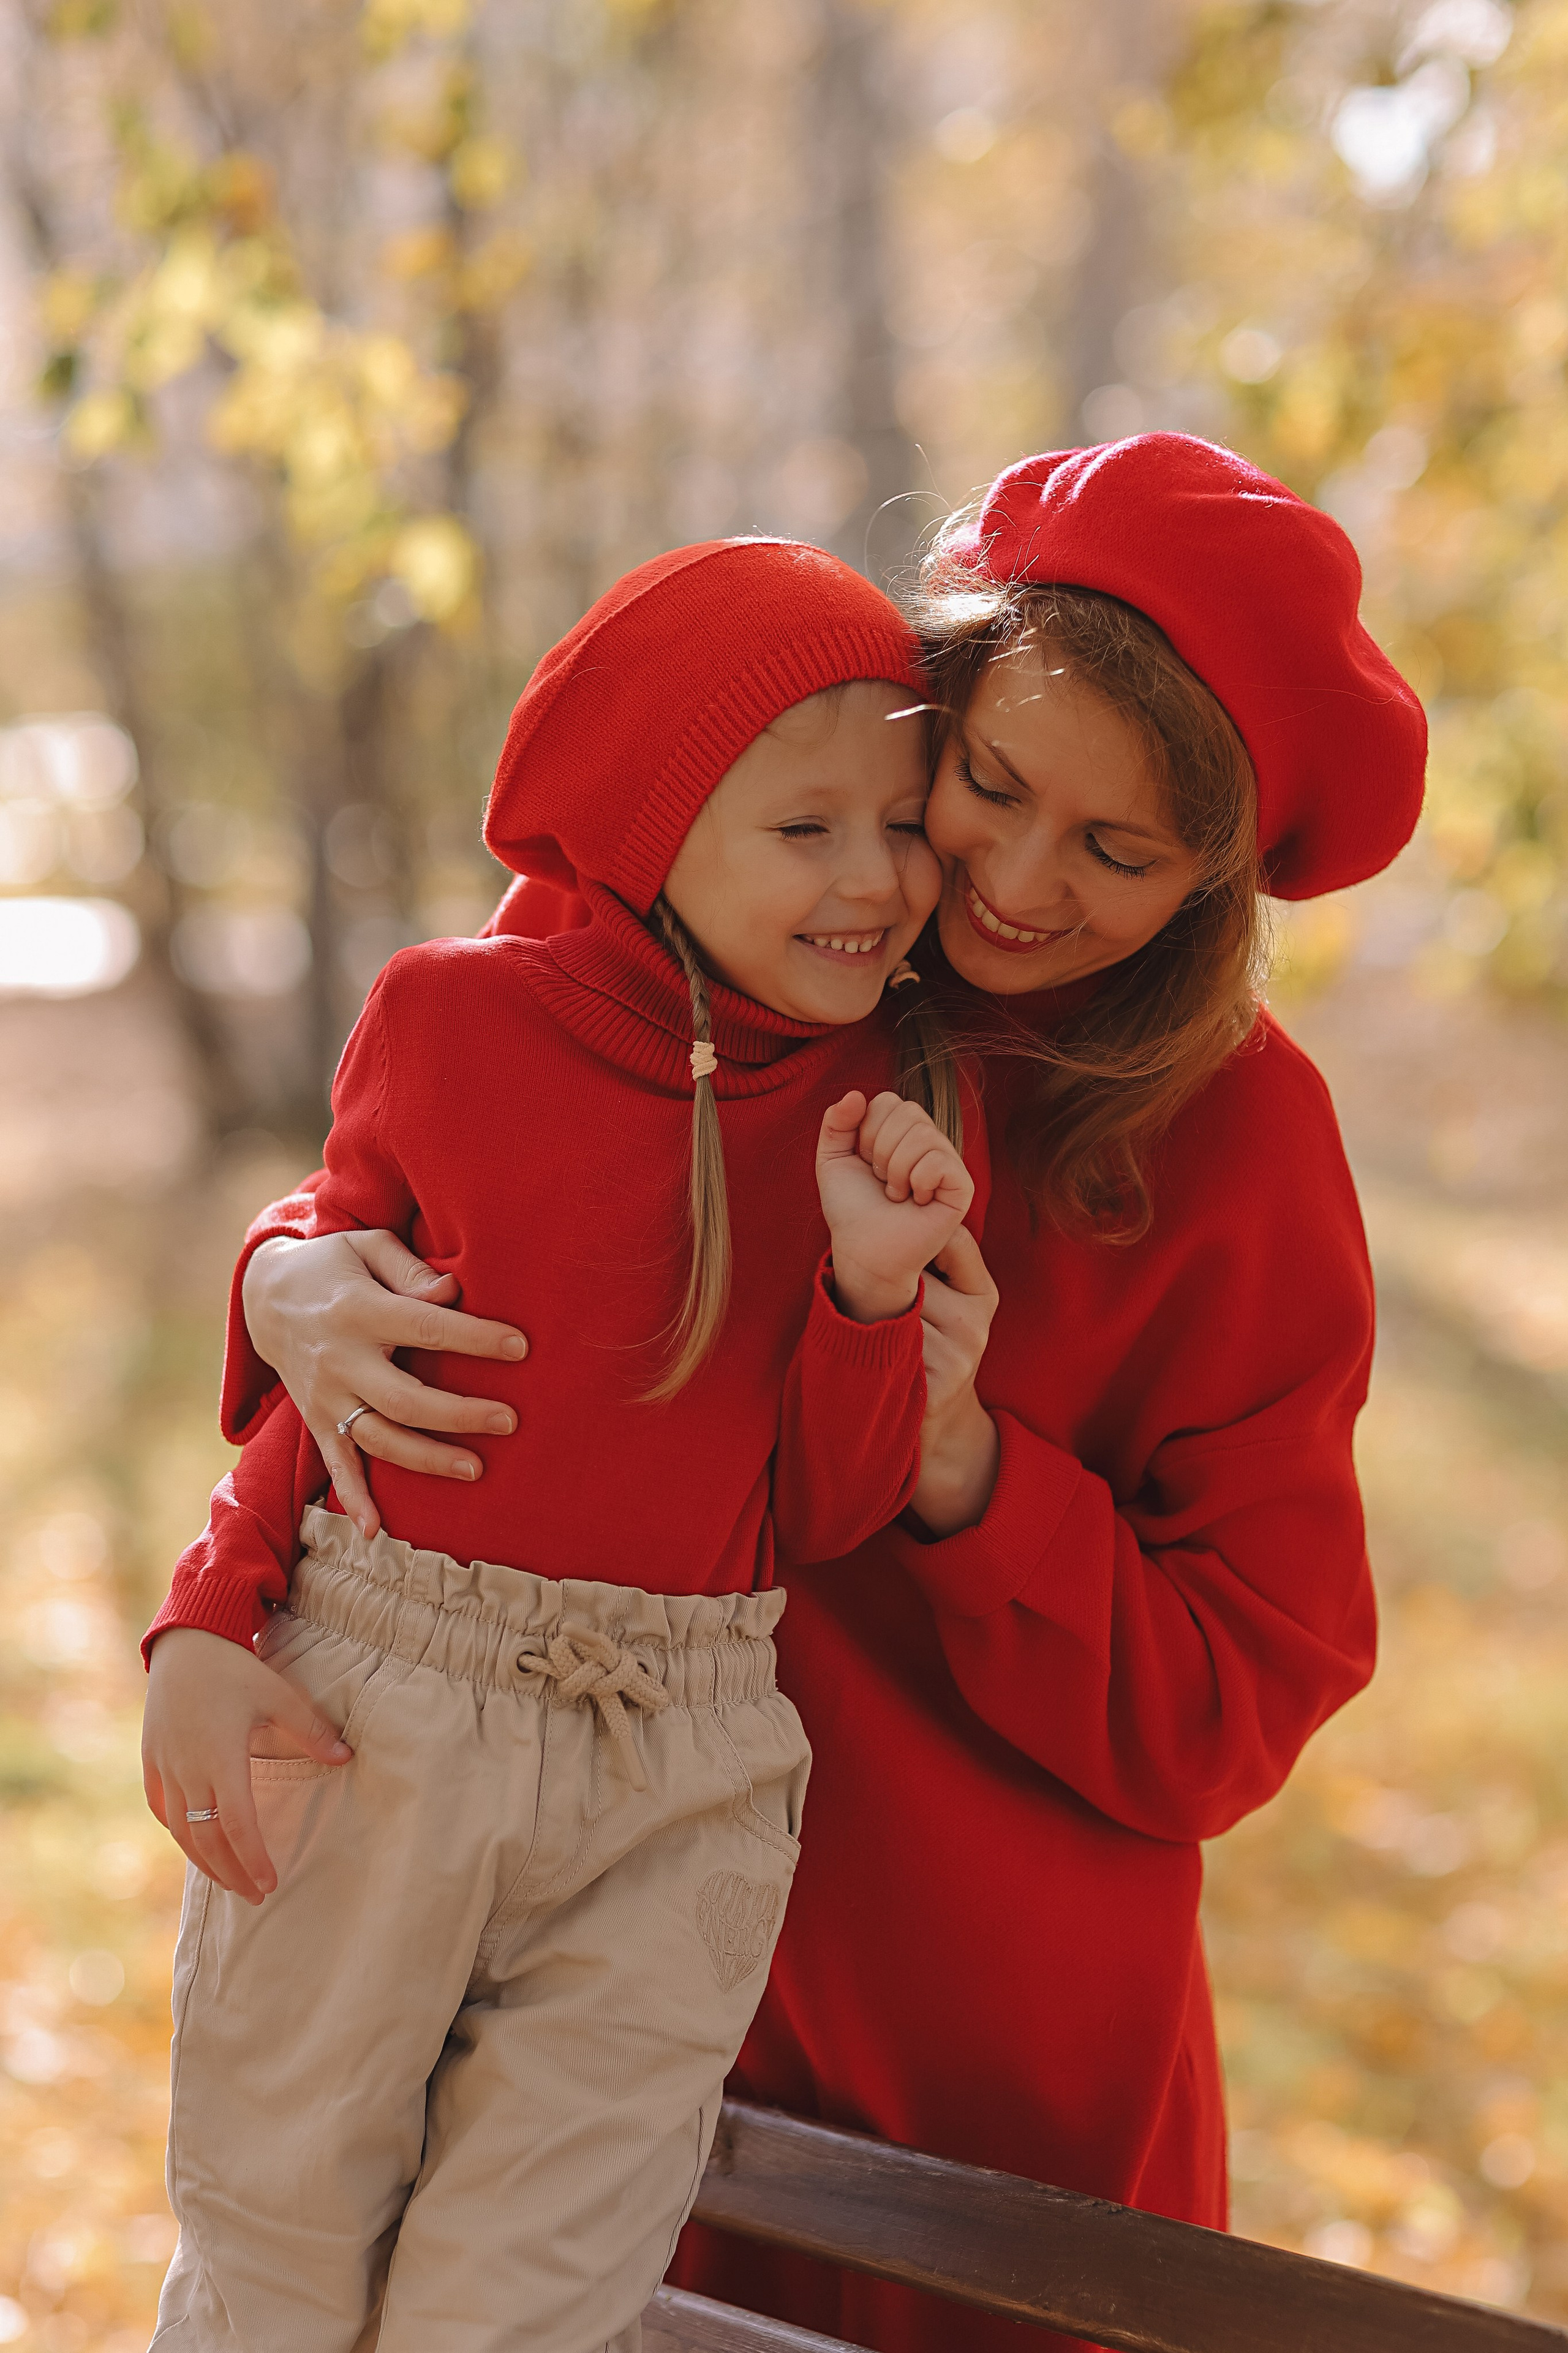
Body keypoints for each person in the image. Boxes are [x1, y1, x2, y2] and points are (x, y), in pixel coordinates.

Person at [216, 436, 1427, 2353]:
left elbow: (1235, 1704)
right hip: (545, 1928)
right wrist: (288, 1272)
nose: (1016, 888)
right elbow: (430, 1144)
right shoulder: (708, 913)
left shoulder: (1242, 1139)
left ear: (1217, 876)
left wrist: (966, 1473)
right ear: (927, 706)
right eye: (995, 789)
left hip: (969, 2061)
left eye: (1116, 854)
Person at [138, 536, 987, 2353]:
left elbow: (822, 1514)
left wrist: (868, 1289)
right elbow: (345, 1348)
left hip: (679, 1765)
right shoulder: (455, 1021)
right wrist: (209, 1617)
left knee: (523, 2304)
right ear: (651, 817)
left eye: (904, 821)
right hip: (378, 1705)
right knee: (270, 2242)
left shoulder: (885, 1102)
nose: (878, 880)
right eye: (806, 828)